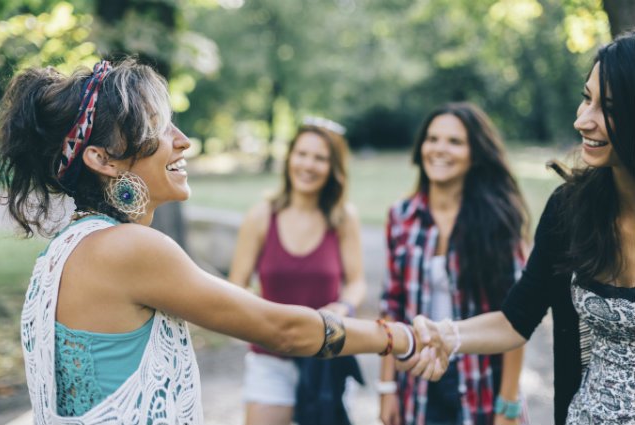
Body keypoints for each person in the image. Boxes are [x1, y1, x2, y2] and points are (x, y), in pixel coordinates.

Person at [0, 59, 444, 424]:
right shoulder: (128, 248)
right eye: (160, 127)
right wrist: (397, 337)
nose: (183, 141)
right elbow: (281, 330)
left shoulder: (66, 245)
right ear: (101, 159)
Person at [409, 31, 635, 425]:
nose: (582, 120)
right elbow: (517, 317)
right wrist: (449, 336)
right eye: (587, 98)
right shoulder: (570, 210)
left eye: (609, 107)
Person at [379, 102, 529, 425]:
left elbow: (518, 316)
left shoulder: (499, 221)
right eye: (432, 139)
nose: (439, 149)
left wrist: (508, 402)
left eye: (454, 141)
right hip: (417, 382)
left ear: (475, 154)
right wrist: (387, 386)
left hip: (482, 381)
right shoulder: (401, 217)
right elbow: (392, 305)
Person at [228, 118, 367, 425]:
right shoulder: (262, 216)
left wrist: (343, 307)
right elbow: (236, 286)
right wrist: (264, 320)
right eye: (302, 154)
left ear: (333, 167)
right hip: (270, 359)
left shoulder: (343, 218)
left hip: (326, 356)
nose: (308, 164)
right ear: (289, 157)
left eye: (320, 158)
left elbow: (356, 282)